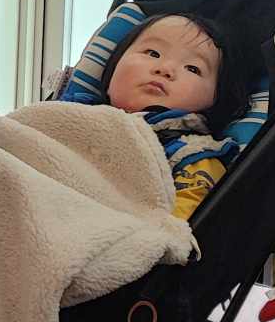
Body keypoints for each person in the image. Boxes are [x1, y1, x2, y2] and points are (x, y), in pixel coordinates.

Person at [97, 11, 251, 220]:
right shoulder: (70, 114)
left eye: (192, 68)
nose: (165, 69)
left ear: (216, 101)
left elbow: (173, 231)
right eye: (152, 53)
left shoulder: (193, 157)